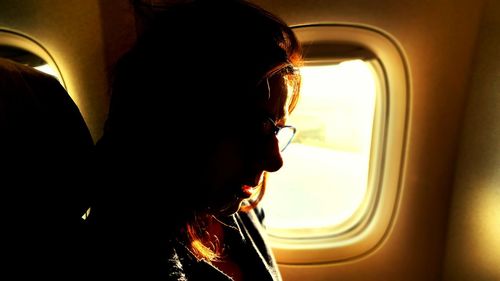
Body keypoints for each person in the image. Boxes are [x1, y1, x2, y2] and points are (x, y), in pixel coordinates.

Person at [89, 1, 302, 280]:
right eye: (258, 127)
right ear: (187, 119)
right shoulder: (127, 249)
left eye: (276, 129)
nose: (275, 161)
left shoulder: (238, 208)